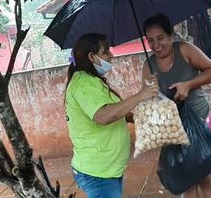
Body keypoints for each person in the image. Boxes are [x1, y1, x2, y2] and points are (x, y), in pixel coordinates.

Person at [65, 33, 158, 198]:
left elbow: (117, 111)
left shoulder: (94, 81)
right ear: (92, 57)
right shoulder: (83, 83)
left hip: (107, 169)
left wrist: (141, 118)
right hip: (98, 172)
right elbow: (103, 116)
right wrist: (139, 96)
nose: (111, 55)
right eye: (106, 52)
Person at [141, 14, 211, 198]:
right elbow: (147, 101)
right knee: (187, 183)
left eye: (160, 38)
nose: (156, 45)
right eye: (150, 40)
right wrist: (152, 94)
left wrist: (188, 85)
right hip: (174, 130)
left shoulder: (185, 50)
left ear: (171, 35)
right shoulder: (148, 65)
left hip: (199, 122)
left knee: (206, 178)